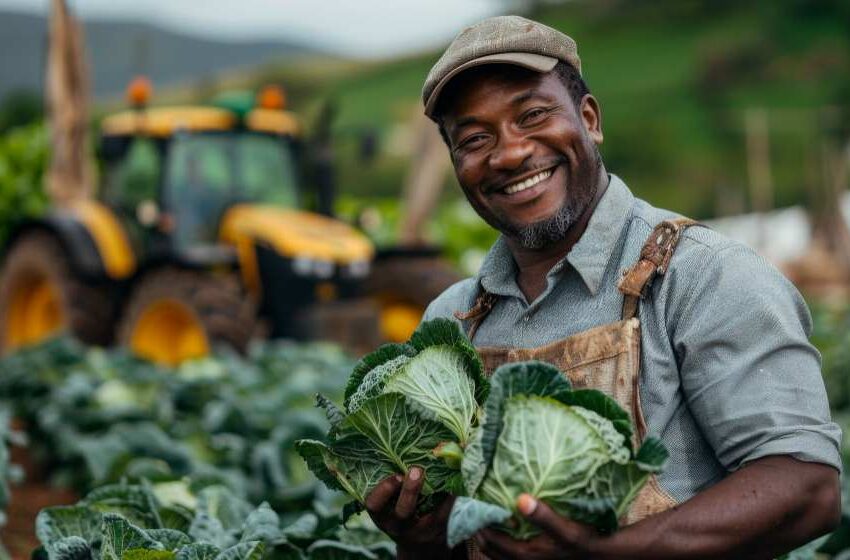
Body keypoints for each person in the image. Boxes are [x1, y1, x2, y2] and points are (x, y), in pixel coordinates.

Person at [364, 15, 843, 560]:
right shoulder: (451, 323)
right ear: (457, 165)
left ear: (589, 119)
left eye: (533, 115)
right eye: (475, 139)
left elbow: (808, 488)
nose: (510, 153)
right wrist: (421, 539)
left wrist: (609, 554)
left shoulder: (703, 275)